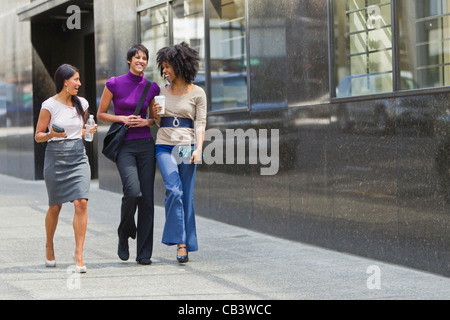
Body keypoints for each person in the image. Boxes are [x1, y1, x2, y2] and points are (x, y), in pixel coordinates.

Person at [97, 44, 160, 265]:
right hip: (124, 145)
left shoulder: (152, 87)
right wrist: (122, 118)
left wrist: (146, 121)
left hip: (145, 145)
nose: (141, 61)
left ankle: (144, 253)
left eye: (144, 58)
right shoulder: (114, 83)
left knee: (148, 201)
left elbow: (156, 119)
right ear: (128, 60)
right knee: (133, 192)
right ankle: (124, 233)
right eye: (137, 57)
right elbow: (101, 114)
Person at [35, 64, 97, 273]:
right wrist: (51, 134)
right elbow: (38, 136)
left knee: (81, 203)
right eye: (75, 80)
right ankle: (49, 245)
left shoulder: (82, 103)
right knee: (56, 206)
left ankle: (78, 253)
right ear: (64, 81)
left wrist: (88, 131)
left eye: (79, 80)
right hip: (55, 157)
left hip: (78, 156)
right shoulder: (49, 105)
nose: (79, 84)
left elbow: (80, 131)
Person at [153, 42, 207, 263]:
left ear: (179, 65)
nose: (164, 71)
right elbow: (158, 122)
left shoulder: (198, 93)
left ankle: (184, 243)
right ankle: (180, 241)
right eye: (162, 67)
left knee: (186, 193)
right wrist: (155, 114)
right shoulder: (160, 92)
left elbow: (201, 123)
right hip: (164, 146)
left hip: (186, 147)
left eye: (167, 66)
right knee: (173, 189)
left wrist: (199, 150)